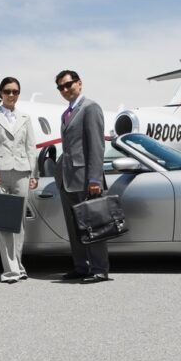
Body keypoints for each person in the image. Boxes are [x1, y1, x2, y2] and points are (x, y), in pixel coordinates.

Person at [54, 70, 110, 283]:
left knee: (93, 225)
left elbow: (97, 145)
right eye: (61, 87)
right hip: (67, 180)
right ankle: (81, 267)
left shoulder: (90, 108)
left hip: (86, 179)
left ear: (79, 83)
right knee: (74, 226)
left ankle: (99, 269)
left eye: (68, 85)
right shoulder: (66, 113)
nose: (65, 90)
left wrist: (95, 179)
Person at [0, 77, 39, 283]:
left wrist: (34, 174)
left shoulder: (25, 117)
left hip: (22, 172)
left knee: (19, 223)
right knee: (4, 223)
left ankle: (18, 265)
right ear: (0, 93)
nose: (11, 95)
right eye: (7, 91)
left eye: (15, 91)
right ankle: (10, 271)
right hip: (1, 173)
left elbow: (31, 147)